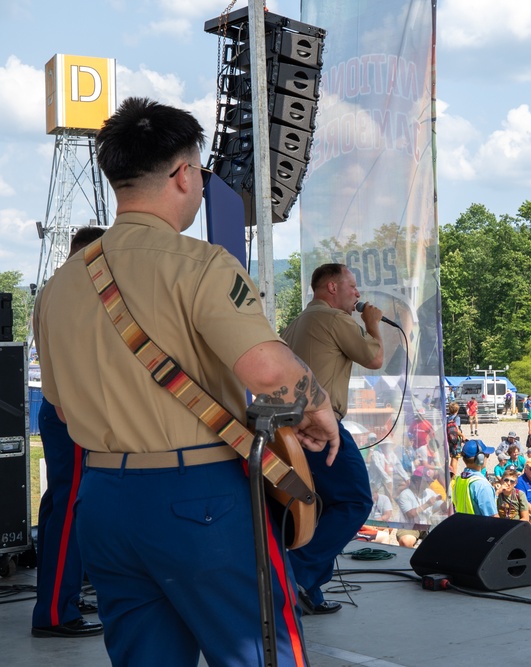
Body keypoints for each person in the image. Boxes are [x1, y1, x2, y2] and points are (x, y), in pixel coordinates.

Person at [34, 97, 340, 666]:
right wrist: (317, 407)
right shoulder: (200, 264)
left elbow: (57, 405)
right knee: (258, 654)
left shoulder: (60, 285)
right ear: (183, 173)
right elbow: (269, 372)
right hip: (200, 498)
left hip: (102, 501)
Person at [281, 262, 383, 616]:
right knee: (355, 500)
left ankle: (310, 590)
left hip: (289, 428)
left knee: (319, 505)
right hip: (319, 427)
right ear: (332, 288)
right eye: (352, 286)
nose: (358, 293)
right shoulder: (335, 319)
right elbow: (374, 357)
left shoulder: (296, 323)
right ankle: (295, 575)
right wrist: (371, 325)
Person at [31, 227, 106, 639]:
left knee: (58, 505)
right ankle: (57, 611)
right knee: (69, 511)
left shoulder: (53, 287)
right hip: (72, 413)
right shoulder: (77, 287)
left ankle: (58, 597)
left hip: (60, 409)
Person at [452, 440, 499, 516]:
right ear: (480, 458)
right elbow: (493, 518)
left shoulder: (458, 480)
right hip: (479, 527)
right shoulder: (483, 486)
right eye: (487, 455)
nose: (487, 458)